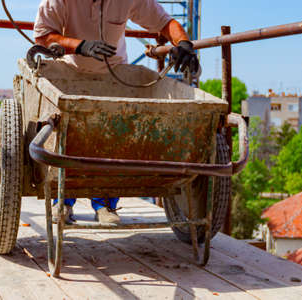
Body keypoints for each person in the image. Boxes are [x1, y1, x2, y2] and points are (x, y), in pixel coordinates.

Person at [33, 0, 199, 225]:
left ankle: (105, 205)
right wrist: (80, 45)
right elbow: (43, 37)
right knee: (69, 137)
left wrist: (184, 43)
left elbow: (164, 22)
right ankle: (62, 201)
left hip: (115, 76)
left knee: (113, 139)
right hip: (70, 74)